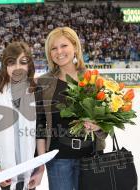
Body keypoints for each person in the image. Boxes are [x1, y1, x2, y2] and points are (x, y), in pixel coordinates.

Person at [37, 27, 107, 190]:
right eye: (53, 48)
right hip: (58, 160)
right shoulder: (43, 82)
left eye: (64, 46)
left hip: (91, 157)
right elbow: (39, 125)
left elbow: (107, 124)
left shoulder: (93, 79)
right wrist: (40, 161)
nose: (59, 52)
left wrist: (98, 125)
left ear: (75, 47)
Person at [0, 42, 46, 190]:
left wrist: (41, 168)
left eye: (22, 62)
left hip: (30, 167)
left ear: (29, 65)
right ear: (5, 65)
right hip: (3, 168)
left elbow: (40, 130)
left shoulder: (36, 89)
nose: (17, 68)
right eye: (12, 63)